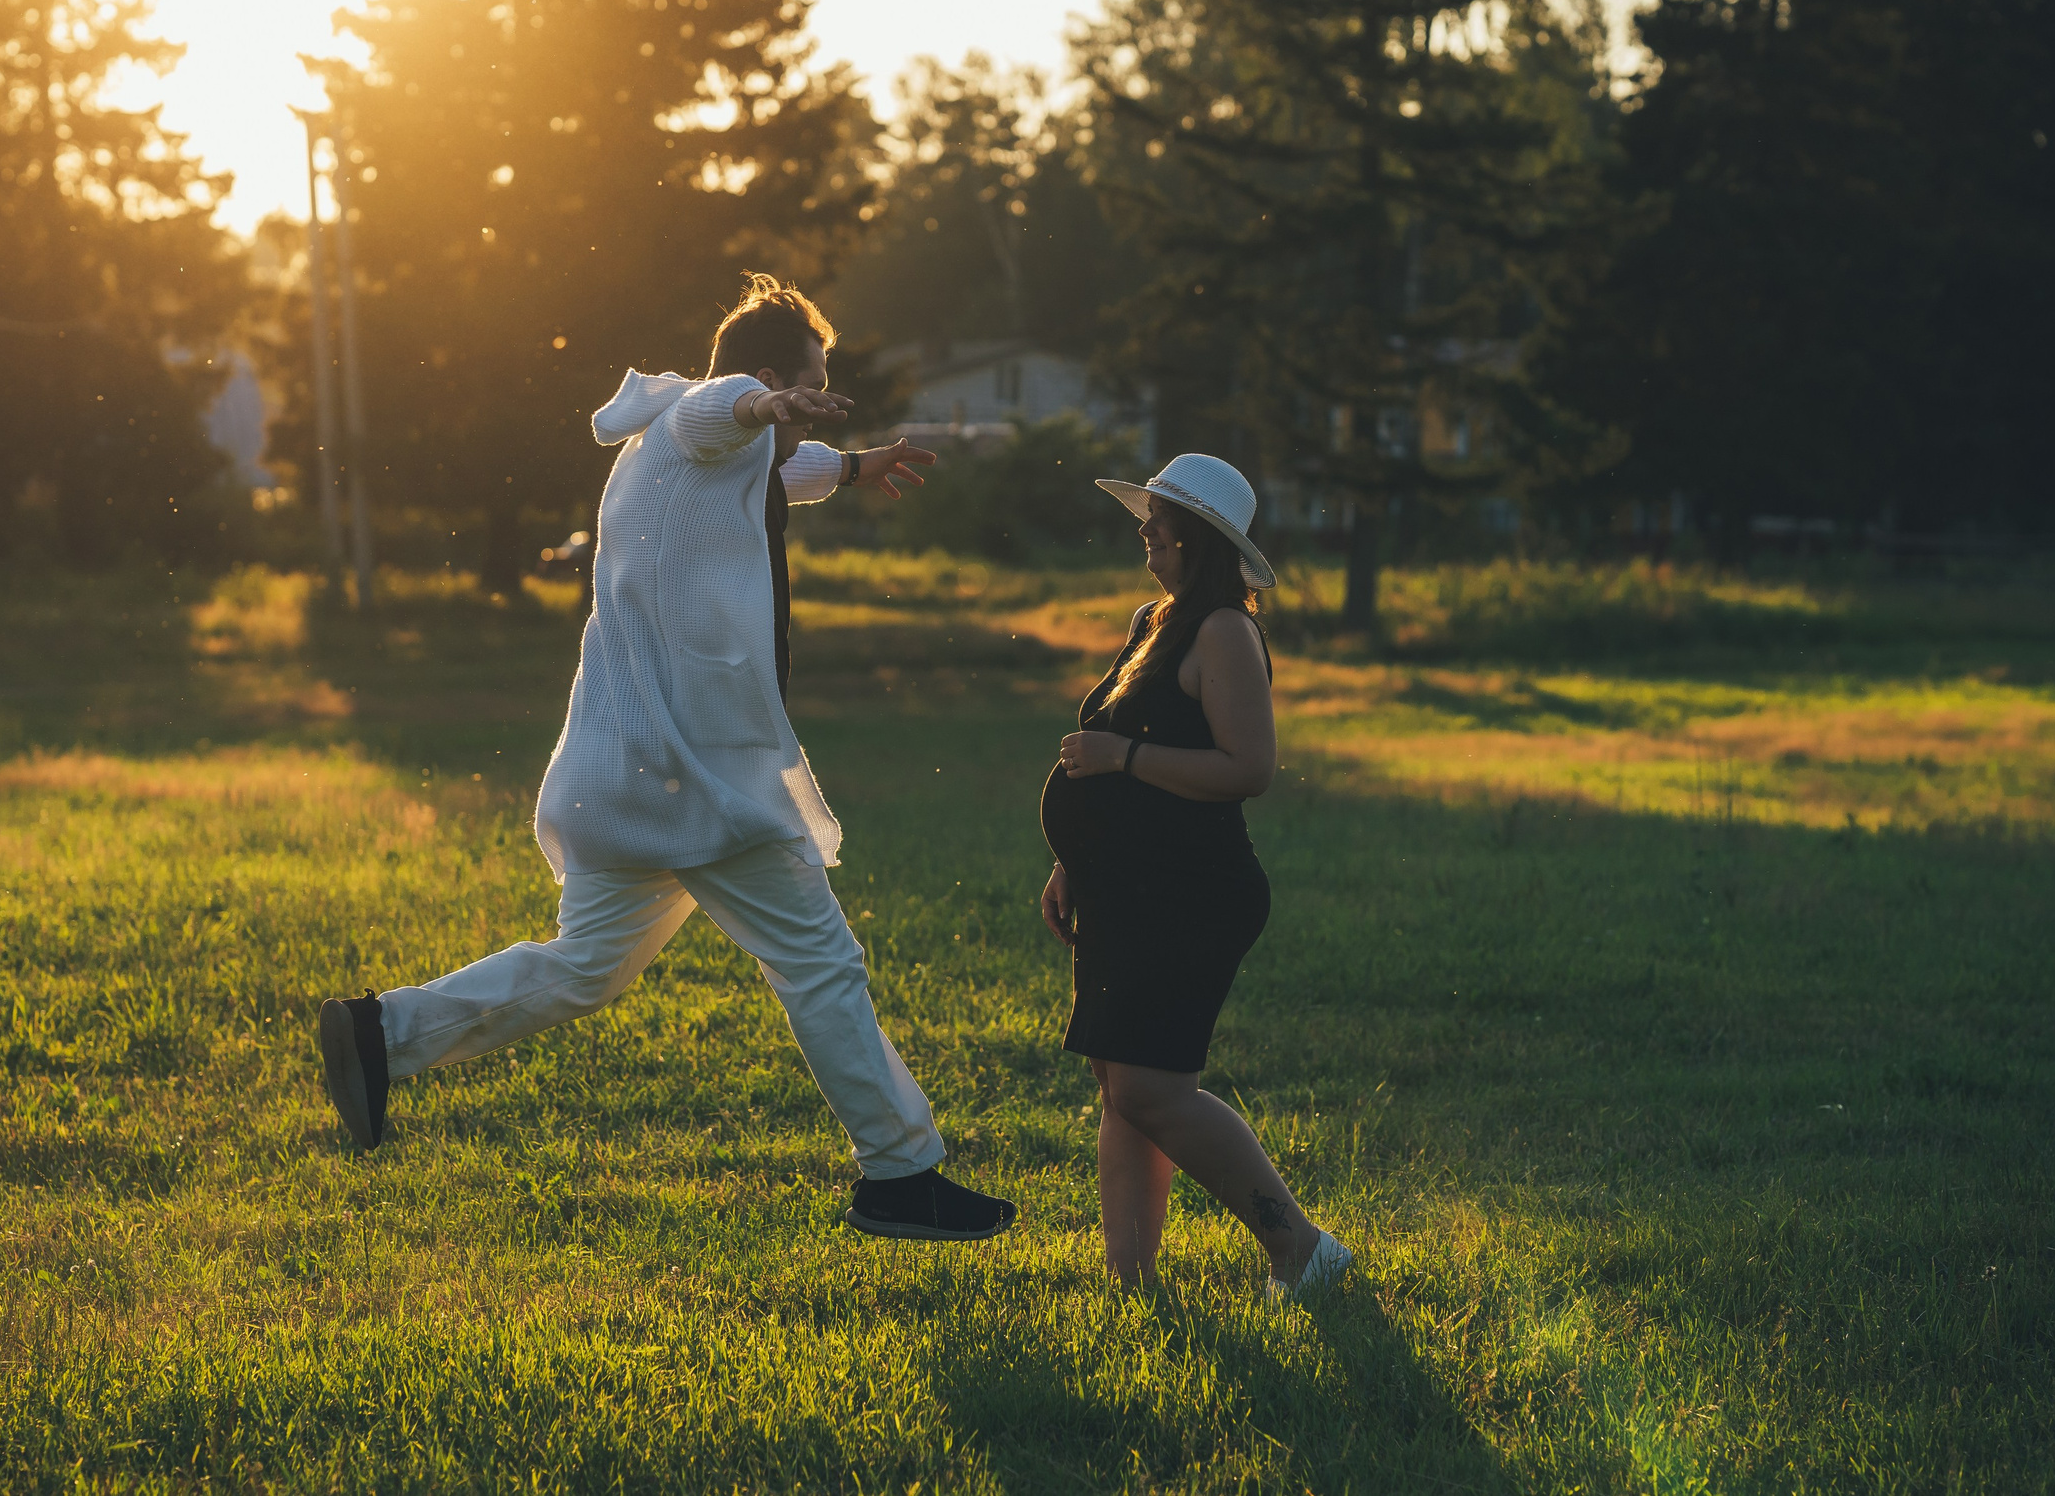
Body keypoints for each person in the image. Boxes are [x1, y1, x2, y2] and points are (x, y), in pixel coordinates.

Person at [317, 274, 1016, 1243]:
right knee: (820, 964)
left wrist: (848, 465)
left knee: (585, 970)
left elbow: (772, 471)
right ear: (771, 377)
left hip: (624, 779)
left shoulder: (682, 460)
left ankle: (380, 1034)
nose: (810, 399)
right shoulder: (697, 417)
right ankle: (901, 1175)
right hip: (696, 787)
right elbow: (721, 410)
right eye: (810, 381)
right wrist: (763, 401)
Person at [1039, 454, 1353, 1296]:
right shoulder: (1154, 620)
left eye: (1159, 518)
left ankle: (1301, 1246)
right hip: (1123, 889)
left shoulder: (1223, 630)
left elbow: (1247, 766)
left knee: (1151, 1085)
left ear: (1199, 536)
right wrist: (1073, 859)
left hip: (1191, 892)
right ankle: (1131, 1286)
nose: (1144, 529)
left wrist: (1124, 756)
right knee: (1121, 1084)